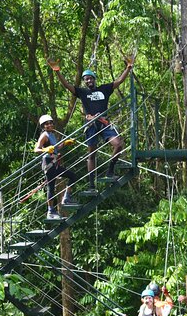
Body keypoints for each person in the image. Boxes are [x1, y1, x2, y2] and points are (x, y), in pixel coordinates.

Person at [46, 57, 134, 193]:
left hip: (104, 123)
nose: (88, 81)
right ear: (85, 82)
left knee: (118, 144)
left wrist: (128, 67)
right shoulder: (83, 92)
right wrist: (57, 71)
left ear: (94, 79)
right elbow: (67, 85)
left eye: (90, 78)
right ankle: (92, 185)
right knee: (91, 154)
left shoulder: (104, 89)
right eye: (86, 79)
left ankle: (110, 170)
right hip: (91, 125)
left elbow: (120, 80)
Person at [34, 114, 78, 220]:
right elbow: (36, 149)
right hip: (48, 163)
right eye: (46, 124)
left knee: (72, 176)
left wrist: (65, 144)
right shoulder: (44, 135)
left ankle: (66, 198)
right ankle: (50, 211)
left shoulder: (52, 134)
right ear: (43, 126)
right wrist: (45, 150)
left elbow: (56, 148)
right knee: (51, 187)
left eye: (50, 123)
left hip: (54, 163)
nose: (49, 125)